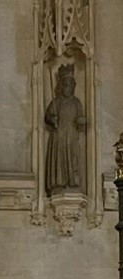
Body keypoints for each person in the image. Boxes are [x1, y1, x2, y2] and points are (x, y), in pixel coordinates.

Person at [44, 65, 86, 196]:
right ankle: (59, 184)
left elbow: (82, 120)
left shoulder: (77, 103)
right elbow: (47, 117)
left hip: (71, 136)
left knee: (72, 159)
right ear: (62, 86)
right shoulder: (56, 102)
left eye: (72, 85)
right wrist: (52, 119)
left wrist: (81, 121)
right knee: (59, 161)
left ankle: (73, 183)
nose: (70, 87)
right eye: (67, 85)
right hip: (59, 137)